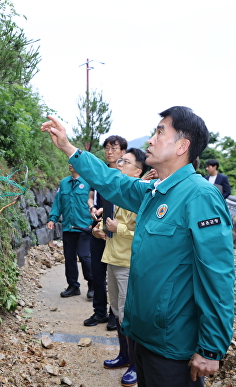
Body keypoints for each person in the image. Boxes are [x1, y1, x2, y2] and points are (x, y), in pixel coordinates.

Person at [41, 106, 235, 387]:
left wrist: (211, 348)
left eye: (159, 133)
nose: (150, 141)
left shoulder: (200, 196)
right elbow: (112, 181)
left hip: (172, 344)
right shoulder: (154, 192)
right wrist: (69, 148)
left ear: (182, 145)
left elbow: (217, 277)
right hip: (144, 336)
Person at [92, 148, 148, 387]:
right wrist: (99, 230)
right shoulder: (116, 193)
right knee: (116, 311)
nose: (119, 163)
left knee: (128, 314)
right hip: (112, 257)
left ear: (138, 170)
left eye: (125, 161)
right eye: (119, 160)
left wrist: (118, 230)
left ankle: (136, 365)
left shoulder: (142, 196)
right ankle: (124, 356)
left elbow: (147, 235)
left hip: (128, 261)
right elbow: (108, 224)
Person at [84, 135, 126, 328]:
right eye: (107, 148)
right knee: (97, 272)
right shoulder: (100, 173)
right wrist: (92, 209)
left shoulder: (126, 174)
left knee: (116, 274)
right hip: (98, 227)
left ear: (123, 152)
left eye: (114, 148)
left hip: (116, 230)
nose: (109, 152)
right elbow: (91, 197)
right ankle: (99, 311)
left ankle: (113, 314)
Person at [47, 164, 93, 298]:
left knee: (85, 257)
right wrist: (53, 218)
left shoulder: (89, 182)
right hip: (68, 227)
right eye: (69, 162)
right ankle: (73, 286)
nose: (71, 164)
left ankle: (92, 285)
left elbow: (94, 203)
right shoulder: (64, 183)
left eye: (75, 162)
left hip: (85, 227)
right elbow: (58, 202)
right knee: (69, 258)